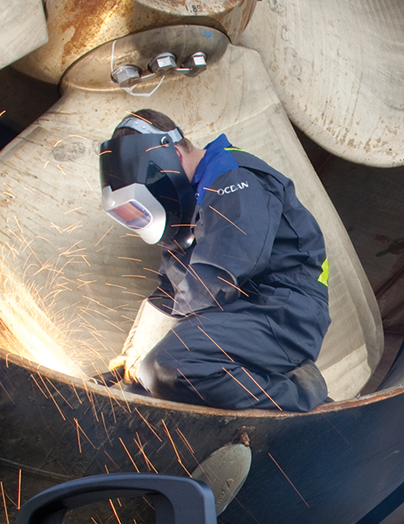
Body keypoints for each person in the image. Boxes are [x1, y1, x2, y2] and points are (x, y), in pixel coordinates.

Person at [97, 110, 331, 411]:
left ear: (173, 158)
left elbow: (224, 268)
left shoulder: (234, 176)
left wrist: (150, 358)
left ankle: (300, 392)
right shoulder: (187, 207)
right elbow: (172, 290)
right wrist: (133, 352)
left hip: (282, 312)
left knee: (169, 366)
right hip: (238, 314)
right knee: (143, 388)